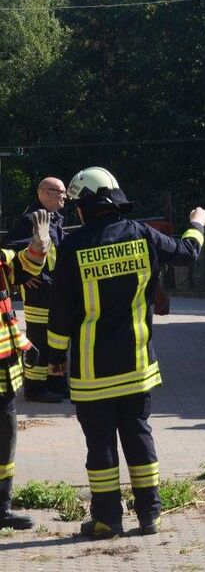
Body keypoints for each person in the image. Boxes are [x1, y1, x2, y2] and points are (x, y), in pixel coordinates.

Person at [46, 167, 205, 539]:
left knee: (100, 444)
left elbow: (60, 311)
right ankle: (149, 515)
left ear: (84, 206)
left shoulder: (72, 248)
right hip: (137, 366)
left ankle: (106, 520)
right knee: (138, 436)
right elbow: (187, 253)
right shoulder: (142, 234)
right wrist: (197, 223)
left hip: (92, 371)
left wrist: (55, 358)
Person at [0, 210, 51, 529]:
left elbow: (25, 263)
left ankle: (2, 507)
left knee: (5, 443)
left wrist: (40, 245)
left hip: (4, 376)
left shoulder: (0, 260)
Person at [6, 177, 67, 403]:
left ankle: (56, 383)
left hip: (54, 291)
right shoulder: (29, 219)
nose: (65, 196)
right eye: (59, 191)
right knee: (39, 340)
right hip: (38, 293)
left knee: (57, 339)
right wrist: (27, 275)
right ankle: (35, 388)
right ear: (43, 193)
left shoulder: (56, 219)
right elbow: (11, 250)